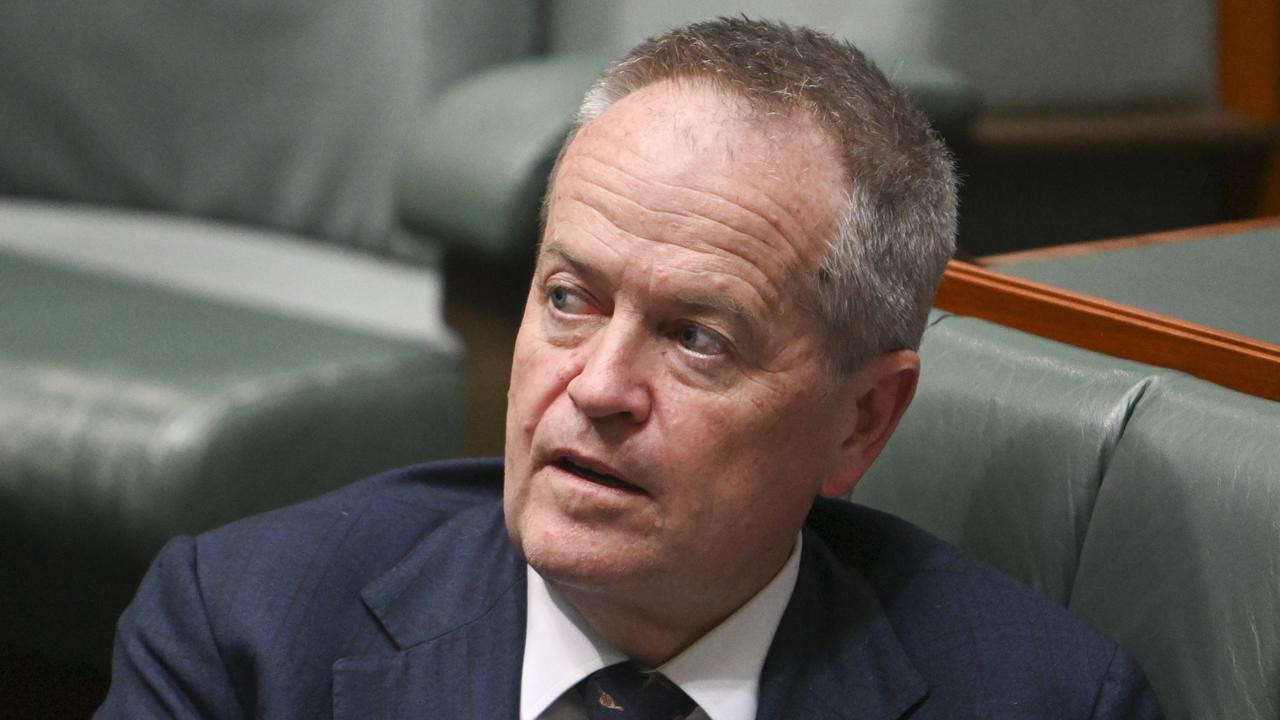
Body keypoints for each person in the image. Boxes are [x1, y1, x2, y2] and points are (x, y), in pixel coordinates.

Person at [95, 17, 1163, 719]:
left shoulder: (1045, 702)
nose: (597, 388)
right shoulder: (245, 634)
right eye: (570, 299)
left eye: (697, 336)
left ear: (861, 420)